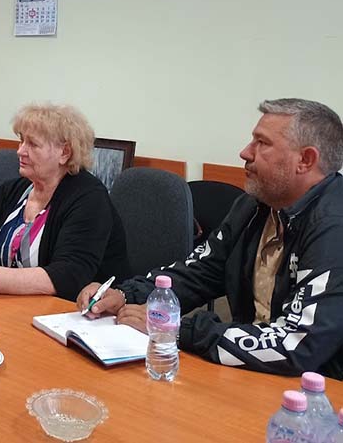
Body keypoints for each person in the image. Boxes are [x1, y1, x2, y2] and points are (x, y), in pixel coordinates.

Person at [77, 98, 343, 379]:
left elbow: (297, 346)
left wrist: (176, 329)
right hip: (248, 371)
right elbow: (199, 272)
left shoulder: (333, 227)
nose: (245, 152)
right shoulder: (253, 206)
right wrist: (125, 295)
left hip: (315, 388)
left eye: (262, 143)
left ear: (305, 160)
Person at [0, 103, 131, 304]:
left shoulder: (89, 198)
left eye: (33, 144)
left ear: (64, 153)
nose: (20, 151)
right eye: (21, 140)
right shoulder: (14, 190)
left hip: (68, 314)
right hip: (13, 305)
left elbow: (67, 276)